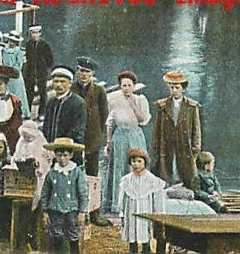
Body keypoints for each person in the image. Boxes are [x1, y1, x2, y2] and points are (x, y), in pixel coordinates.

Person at [103, 71, 151, 214]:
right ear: (120, 86)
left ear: (134, 86)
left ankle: (137, 201)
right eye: (123, 85)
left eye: (129, 85)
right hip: (119, 136)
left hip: (135, 134)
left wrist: (133, 104)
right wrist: (108, 141)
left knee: (135, 165)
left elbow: (144, 120)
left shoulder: (140, 99)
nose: (126, 88)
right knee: (119, 167)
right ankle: (117, 204)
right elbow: (110, 123)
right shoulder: (113, 101)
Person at [71, 56, 110, 226]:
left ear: (92, 73)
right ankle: (74, 211)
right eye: (80, 71)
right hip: (74, 140)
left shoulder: (100, 91)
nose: (83, 75)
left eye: (87, 72)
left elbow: (104, 115)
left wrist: (99, 135)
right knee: (74, 174)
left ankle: (95, 213)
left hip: (93, 140)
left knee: (93, 175)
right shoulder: (71, 89)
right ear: (76, 72)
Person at [151, 70, 201, 189]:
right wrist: (155, 150)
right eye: (171, 87)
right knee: (166, 171)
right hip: (167, 146)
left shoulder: (191, 107)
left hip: (184, 147)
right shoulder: (162, 106)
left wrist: (195, 149)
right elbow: (156, 131)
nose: (174, 90)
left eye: (177, 87)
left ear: (183, 89)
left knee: (184, 173)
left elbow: (196, 130)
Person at [41, 138, 89, 254]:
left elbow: (83, 193)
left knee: (73, 235)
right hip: (55, 209)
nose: (62, 158)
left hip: (71, 210)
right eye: (59, 155)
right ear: (55, 155)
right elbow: (45, 193)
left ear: (71, 155)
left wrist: (82, 212)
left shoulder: (76, 172)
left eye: (65, 155)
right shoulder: (52, 173)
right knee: (57, 235)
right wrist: (45, 211)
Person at [117, 148, 166, 254]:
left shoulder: (151, 179)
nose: (136, 164)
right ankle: (132, 249)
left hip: (145, 208)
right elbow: (122, 196)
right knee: (132, 231)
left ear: (144, 162)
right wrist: (121, 211)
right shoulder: (127, 179)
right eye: (134, 161)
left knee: (144, 230)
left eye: (139, 161)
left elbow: (157, 196)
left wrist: (157, 213)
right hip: (131, 210)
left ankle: (145, 249)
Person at [42, 66, 87, 166]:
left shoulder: (78, 103)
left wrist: (61, 149)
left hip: (69, 153)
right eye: (56, 81)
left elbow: (78, 131)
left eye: (63, 82)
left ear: (70, 83)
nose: (58, 85)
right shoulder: (51, 102)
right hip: (51, 153)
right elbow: (46, 128)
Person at [12, 120, 55, 210]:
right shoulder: (21, 141)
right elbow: (17, 153)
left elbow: (43, 158)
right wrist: (18, 159)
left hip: (37, 167)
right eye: (25, 136)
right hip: (24, 166)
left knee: (39, 181)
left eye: (28, 136)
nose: (26, 138)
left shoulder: (39, 141)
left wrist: (39, 166)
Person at [23, 24, 54, 120]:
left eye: (36, 33)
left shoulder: (45, 45)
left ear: (40, 33)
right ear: (30, 34)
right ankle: (27, 112)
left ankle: (41, 113)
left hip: (41, 72)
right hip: (31, 72)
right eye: (32, 33)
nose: (34, 35)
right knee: (29, 92)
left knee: (42, 93)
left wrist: (45, 67)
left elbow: (50, 60)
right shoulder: (28, 44)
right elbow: (28, 58)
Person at [2, 30, 31, 119]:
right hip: (6, 75)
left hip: (15, 76)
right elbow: (3, 61)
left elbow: (19, 65)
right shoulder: (4, 50)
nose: (12, 43)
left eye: (14, 42)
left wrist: (12, 71)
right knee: (7, 93)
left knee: (18, 94)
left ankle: (20, 112)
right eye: (10, 41)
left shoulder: (19, 52)